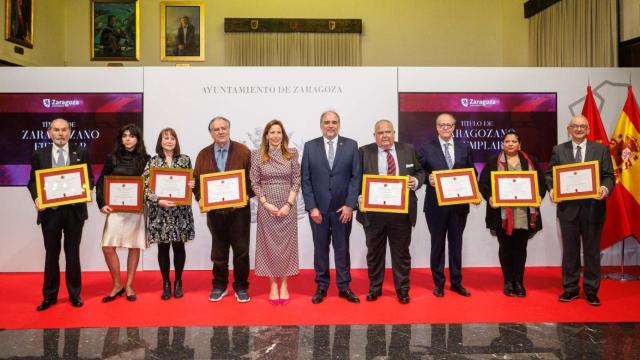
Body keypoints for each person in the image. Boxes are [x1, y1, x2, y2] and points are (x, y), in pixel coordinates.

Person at [545, 115, 614, 306]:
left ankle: (592, 290)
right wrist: (551, 190)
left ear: (588, 130)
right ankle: (570, 289)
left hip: (593, 208)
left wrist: (604, 189)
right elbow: (549, 175)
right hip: (568, 209)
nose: (578, 129)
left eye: (582, 126)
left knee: (592, 251)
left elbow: (609, 176)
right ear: (568, 129)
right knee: (570, 251)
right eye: (575, 126)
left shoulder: (601, 150)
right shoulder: (559, 150)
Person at [27, 118, 94, 311]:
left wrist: (87, 189)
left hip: (74, 212)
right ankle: (49, 296)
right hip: (50, 212)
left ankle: (75, 294)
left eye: (64, 130)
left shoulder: (81, 152)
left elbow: (89, 177)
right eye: (56, 130)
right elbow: (32, 181)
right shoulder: (39, 154)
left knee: (73, 254)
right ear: (49, 132)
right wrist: (37, 198)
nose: (60, 134)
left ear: (70, 132)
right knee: (51, 254)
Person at [356, 119, 425, 304]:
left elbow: (421, 172)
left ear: (394, 133)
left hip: (401, 214)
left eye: (388, 132)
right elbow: (355, 178)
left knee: (401, 253)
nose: (385, 136)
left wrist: (416, 182)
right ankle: (375, 288)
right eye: (380, 133)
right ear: (374, 136)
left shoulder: (408, 149)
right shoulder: (363, 152)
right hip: (373, 213)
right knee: (374, 253)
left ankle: (402, 290)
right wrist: (359, 196)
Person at [301, 110, 362, 304]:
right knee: (320, 249)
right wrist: (312, 207)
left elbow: (356, 178)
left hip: (342, 210)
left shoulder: (351, 145)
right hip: (318, 210)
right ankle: (321, 286)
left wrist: (349, 205)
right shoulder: (310, 147)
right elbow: (306, 179)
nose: (330, 125)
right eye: (326, 122)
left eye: (334, 122)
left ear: (339, 124)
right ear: (321, 125)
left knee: (342, 249)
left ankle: (344, 287)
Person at [478, 130, 546, 297]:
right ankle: (508, 282)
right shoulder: (493, 161)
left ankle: (519, 282)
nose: (510, 144)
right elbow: (483, 184)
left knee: (520, 248)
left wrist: (539, 195)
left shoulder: (531, 161)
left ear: (519, 144)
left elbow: (542, 183)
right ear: (502, 144)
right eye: (507, 141)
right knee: (505, 248)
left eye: (514, 141)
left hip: (524, 213)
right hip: (501, 215)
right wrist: (490, 197)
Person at [193, 116, 253, 303]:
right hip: (215, 213)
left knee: (241, 251)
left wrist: (245, 197)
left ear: (229, 129)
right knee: (218, 252)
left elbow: (253, 180)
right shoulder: (203, 154)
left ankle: (241, 287)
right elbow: (196, 182)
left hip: (239, 212)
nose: (220, 131)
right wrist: (201, 198)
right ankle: (219, 285)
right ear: (210, 132)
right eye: (216, 129)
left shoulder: (243, 152)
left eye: (223, 128)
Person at [418, 113, 474, 298]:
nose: (445, 128)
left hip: (459, 205)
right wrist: (428, 179)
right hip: (435, 205)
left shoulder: (465, 147)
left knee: (456, 244)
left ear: (454, 126)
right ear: (436, 127)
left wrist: (473, 191)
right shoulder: (426, 148)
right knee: (437, 245)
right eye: (442, 125)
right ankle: (439, 283)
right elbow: (418, 173)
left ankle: (457, 282)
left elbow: (472, 172)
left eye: (449, 125)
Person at [96, 124, 150, 302]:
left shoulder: (146, 159)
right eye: (124, 135)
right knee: (107, 247)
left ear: (137, 139)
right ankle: (117, 284)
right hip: (115, 210)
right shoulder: (112, 157)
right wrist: (102, 203)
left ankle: (129, 286)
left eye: (131, 136)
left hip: (135, 210)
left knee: (133, 246)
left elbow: (150, 185)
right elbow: (101, 182)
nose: (128, 139)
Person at [250, 119, 301, 305]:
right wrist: (265, 203)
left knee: (287, 246)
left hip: (288, 206)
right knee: (268, 246)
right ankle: (272, 284)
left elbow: (296, 180)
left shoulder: (292, 154)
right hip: (267, 207)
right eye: (272, 132)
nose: (275, 136)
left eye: (278, 132)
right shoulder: (257, 155)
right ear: (266, 135)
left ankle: (285, 284)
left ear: (283, 135)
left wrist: (289, 204)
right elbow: (254, 182)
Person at [143, 128, 195, 300]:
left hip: (180, 212)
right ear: (160, 141)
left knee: (179, 246)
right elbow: (144, 188)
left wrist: (192, 184)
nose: (169, 141)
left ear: (176, 141)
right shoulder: (153, 162)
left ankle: (179, 281)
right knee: (163, 247)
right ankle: (166, 282)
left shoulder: (185, 160)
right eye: (166, 138)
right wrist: (158, 200)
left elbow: (190, 182)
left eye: (173, 138)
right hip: (160, 212)